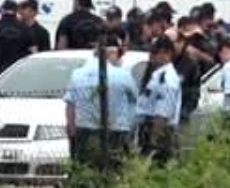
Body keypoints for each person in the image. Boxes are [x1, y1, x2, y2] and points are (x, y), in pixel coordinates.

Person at [64, 34, 138, 172]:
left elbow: (70, 106)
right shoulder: (123, 75)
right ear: (112, 52)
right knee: (115, 173)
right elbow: (135, 100)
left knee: (86, 172)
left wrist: (73, 133)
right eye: (119, 53)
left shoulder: (77, 74)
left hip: (84, 131)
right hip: (117, 132)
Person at [136, 35, 182, 166]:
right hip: (150, 127)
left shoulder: (167, 79)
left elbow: (163, 113)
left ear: (167, 53)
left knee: (156, 169)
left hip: (159, 130)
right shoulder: (157, 75)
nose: (151, 56)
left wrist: (153, 140)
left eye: (154, 52)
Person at [0, 0, 33, 83]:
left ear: (2, 10)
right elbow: (33, 52)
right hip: (18, 73)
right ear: (16, 11)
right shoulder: (25, 28)